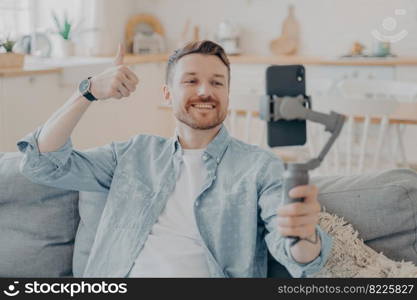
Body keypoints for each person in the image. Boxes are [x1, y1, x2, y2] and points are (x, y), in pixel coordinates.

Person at [17, 40, 332, 278]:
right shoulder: (133, 154)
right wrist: (87, 92)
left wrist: (303, 235)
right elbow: (41, 163)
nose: (205, 91)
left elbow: (299, 257)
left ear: (228, 94)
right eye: (191, 80)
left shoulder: (260, 167)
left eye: (217, 82)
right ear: (167, 94)